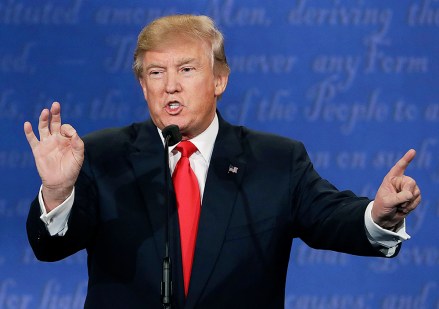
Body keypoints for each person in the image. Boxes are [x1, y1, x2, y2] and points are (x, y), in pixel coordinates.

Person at [24, 14, 421, 309]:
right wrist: (58, 191)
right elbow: (50, 248)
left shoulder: (276, 160)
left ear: (219, 80)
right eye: (156, 72)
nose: (170, 85)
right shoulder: (103, 155)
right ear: (143, 86)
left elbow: (332, 218)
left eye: (186, 69)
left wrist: (380, 214)